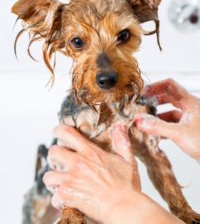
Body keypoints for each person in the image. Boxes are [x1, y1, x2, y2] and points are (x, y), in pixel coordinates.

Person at [44, 79, 200, 224]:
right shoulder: (74, 114)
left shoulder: (138, 105)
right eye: (78, 46)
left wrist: (119, 203)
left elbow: (154, 157)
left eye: (121, 46)